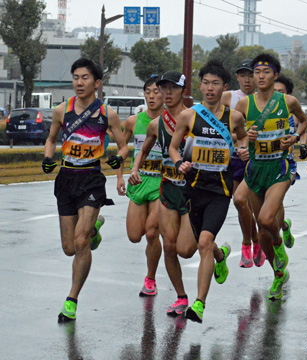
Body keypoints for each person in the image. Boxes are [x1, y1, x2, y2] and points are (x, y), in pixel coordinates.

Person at [42, 58, 128, 322]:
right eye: (76, 77)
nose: (79, 82)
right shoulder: (61, 110)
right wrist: (48, 157)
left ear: (97, 82)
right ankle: (93, 231)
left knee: (80, 242)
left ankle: (71, 300)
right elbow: (52, 138)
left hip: (91, 177)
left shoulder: (106, 113)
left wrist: (118, 158)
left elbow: (124, 146)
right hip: (66, 178)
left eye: (85, 78)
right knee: (70, 248)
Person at [169, 60, 249, 322]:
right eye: (206, 83)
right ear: (200, 85)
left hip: (220, 191)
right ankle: (219, 255)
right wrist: (180, 162)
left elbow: (244, 137)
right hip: (193, 190)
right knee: (185, 250)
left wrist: (244, 149)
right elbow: (173, 147)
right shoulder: (189, 115)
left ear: (225, 87)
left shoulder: (234, 117)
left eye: (216, 83)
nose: (210, 88)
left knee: (203, 242)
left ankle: (199, 304)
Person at [235, 53, 307, 301]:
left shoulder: (288, 101)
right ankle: (278, 273)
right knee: (262, 230)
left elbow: (304, 121)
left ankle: (279, 248)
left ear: (275, 75)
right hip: (256, 168)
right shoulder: (244, 105)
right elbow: (234, 134)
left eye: (266, 72)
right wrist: (246, 139)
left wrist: (296, 137)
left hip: (279, 167)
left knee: (267, 219)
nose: (261, 76)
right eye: (256, 72)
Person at [129, 70, 196, 317]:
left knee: (186, 249)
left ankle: (216, 253)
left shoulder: (196, 119)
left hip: (192, 192)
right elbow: (143, 151)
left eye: (172, 89)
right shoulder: (157, 124)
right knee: (168, 246)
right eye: (163, 88)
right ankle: (181, 297)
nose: (167, 93)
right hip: (167, 188)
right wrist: (134, 169)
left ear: (183, 91)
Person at [117, 75, 164, 296]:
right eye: (148, 92)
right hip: (138, 181)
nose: (152, 96)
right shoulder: (134, 121)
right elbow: (122, 148)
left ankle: (150, 279)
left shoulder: (173, 120)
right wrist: (119, 176)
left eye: (156, 91)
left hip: (161, 183)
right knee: (135, 236)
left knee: (152, 233)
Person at [222, 59, 265, 269]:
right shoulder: (229, 97)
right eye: (243, 75)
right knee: (240, 203)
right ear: (237, 77)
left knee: (254, 206)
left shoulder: (265, 100)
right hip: (235, 160)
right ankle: (251, 242)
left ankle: (256, 241)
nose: (247, 80)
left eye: (251, 75)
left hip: (260, 160)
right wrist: (239, 137)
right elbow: (219, 125)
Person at [273, 74, 307, 249]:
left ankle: (277, 239)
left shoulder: (292, 113)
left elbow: (304, 128)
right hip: (266, 163)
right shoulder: (264, 113)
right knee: (272, 203)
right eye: (274, 91)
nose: (277, 95)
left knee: (276, 201)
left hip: (287, 164)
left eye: (281, 92)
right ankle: (284, 227)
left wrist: (302, 144)